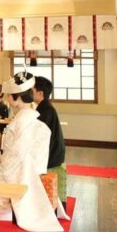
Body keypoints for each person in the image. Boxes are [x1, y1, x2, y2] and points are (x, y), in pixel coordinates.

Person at [0, 72, 68, 232]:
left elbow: (16, 153)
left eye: (8, 96)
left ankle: (4, 207)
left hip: (19, 167)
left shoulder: (25, 119)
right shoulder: (29, 114)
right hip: (20, 162)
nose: (6, 98)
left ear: (16, 98)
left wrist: (1, 160)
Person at [33, 76, 67, 205]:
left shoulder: (46, 110)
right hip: (54, 151)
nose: (30, 92)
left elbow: (38, 137)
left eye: (32, 90)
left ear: (40, 93)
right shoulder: (44, 107)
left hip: (52, 155)